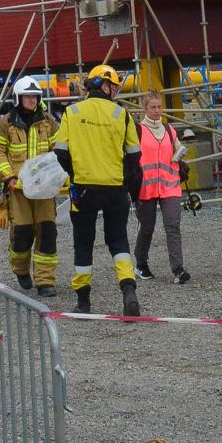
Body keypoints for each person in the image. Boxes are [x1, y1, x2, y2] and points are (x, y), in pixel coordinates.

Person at [53, 64, 143, 317]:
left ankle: (83, 301)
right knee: (118, 239)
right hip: (115, 188)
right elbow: (135, 156)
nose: (115, 91)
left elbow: (60, 152)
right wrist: (124, 182)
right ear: (105, 85)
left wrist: (76, 174)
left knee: (83, 243)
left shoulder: (72, 112)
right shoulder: (121, 114)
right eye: (114, 87)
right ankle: (128, 291)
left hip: (83, 189)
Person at [0, 75, 61, 299]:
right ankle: (20, 269)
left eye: (35, 96)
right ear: (18, 98)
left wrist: (60, 175)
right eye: (28, 96)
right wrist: (8, 177)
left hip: (45, 190)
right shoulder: (6, 123)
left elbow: (61, 148)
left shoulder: (48, 121)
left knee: (47, 232)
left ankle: (45, 280)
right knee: (22, 233)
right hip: (18, 189)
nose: (33, 100)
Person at [133, 93, 189, 284]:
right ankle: (141, 264)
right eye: (153, 107)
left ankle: (178, 269)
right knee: (147, 227)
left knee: (172, 226)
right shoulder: (137, 130)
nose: (157, 111)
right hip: (145, 187)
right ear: (145, 109)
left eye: (159, 107)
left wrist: (180, 153)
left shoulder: (169, 129)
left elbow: (178, 148)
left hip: (169, 185)